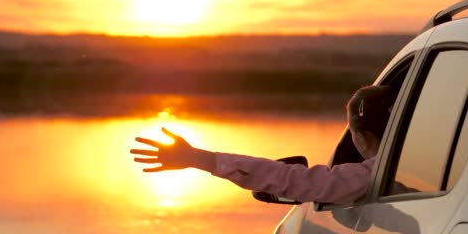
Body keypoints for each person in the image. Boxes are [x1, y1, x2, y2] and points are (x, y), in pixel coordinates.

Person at [130, 85, 398, 204]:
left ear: (360, 137)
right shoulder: (417, 172)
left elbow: (290, 179)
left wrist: (197, 158)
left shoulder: (370, 176)